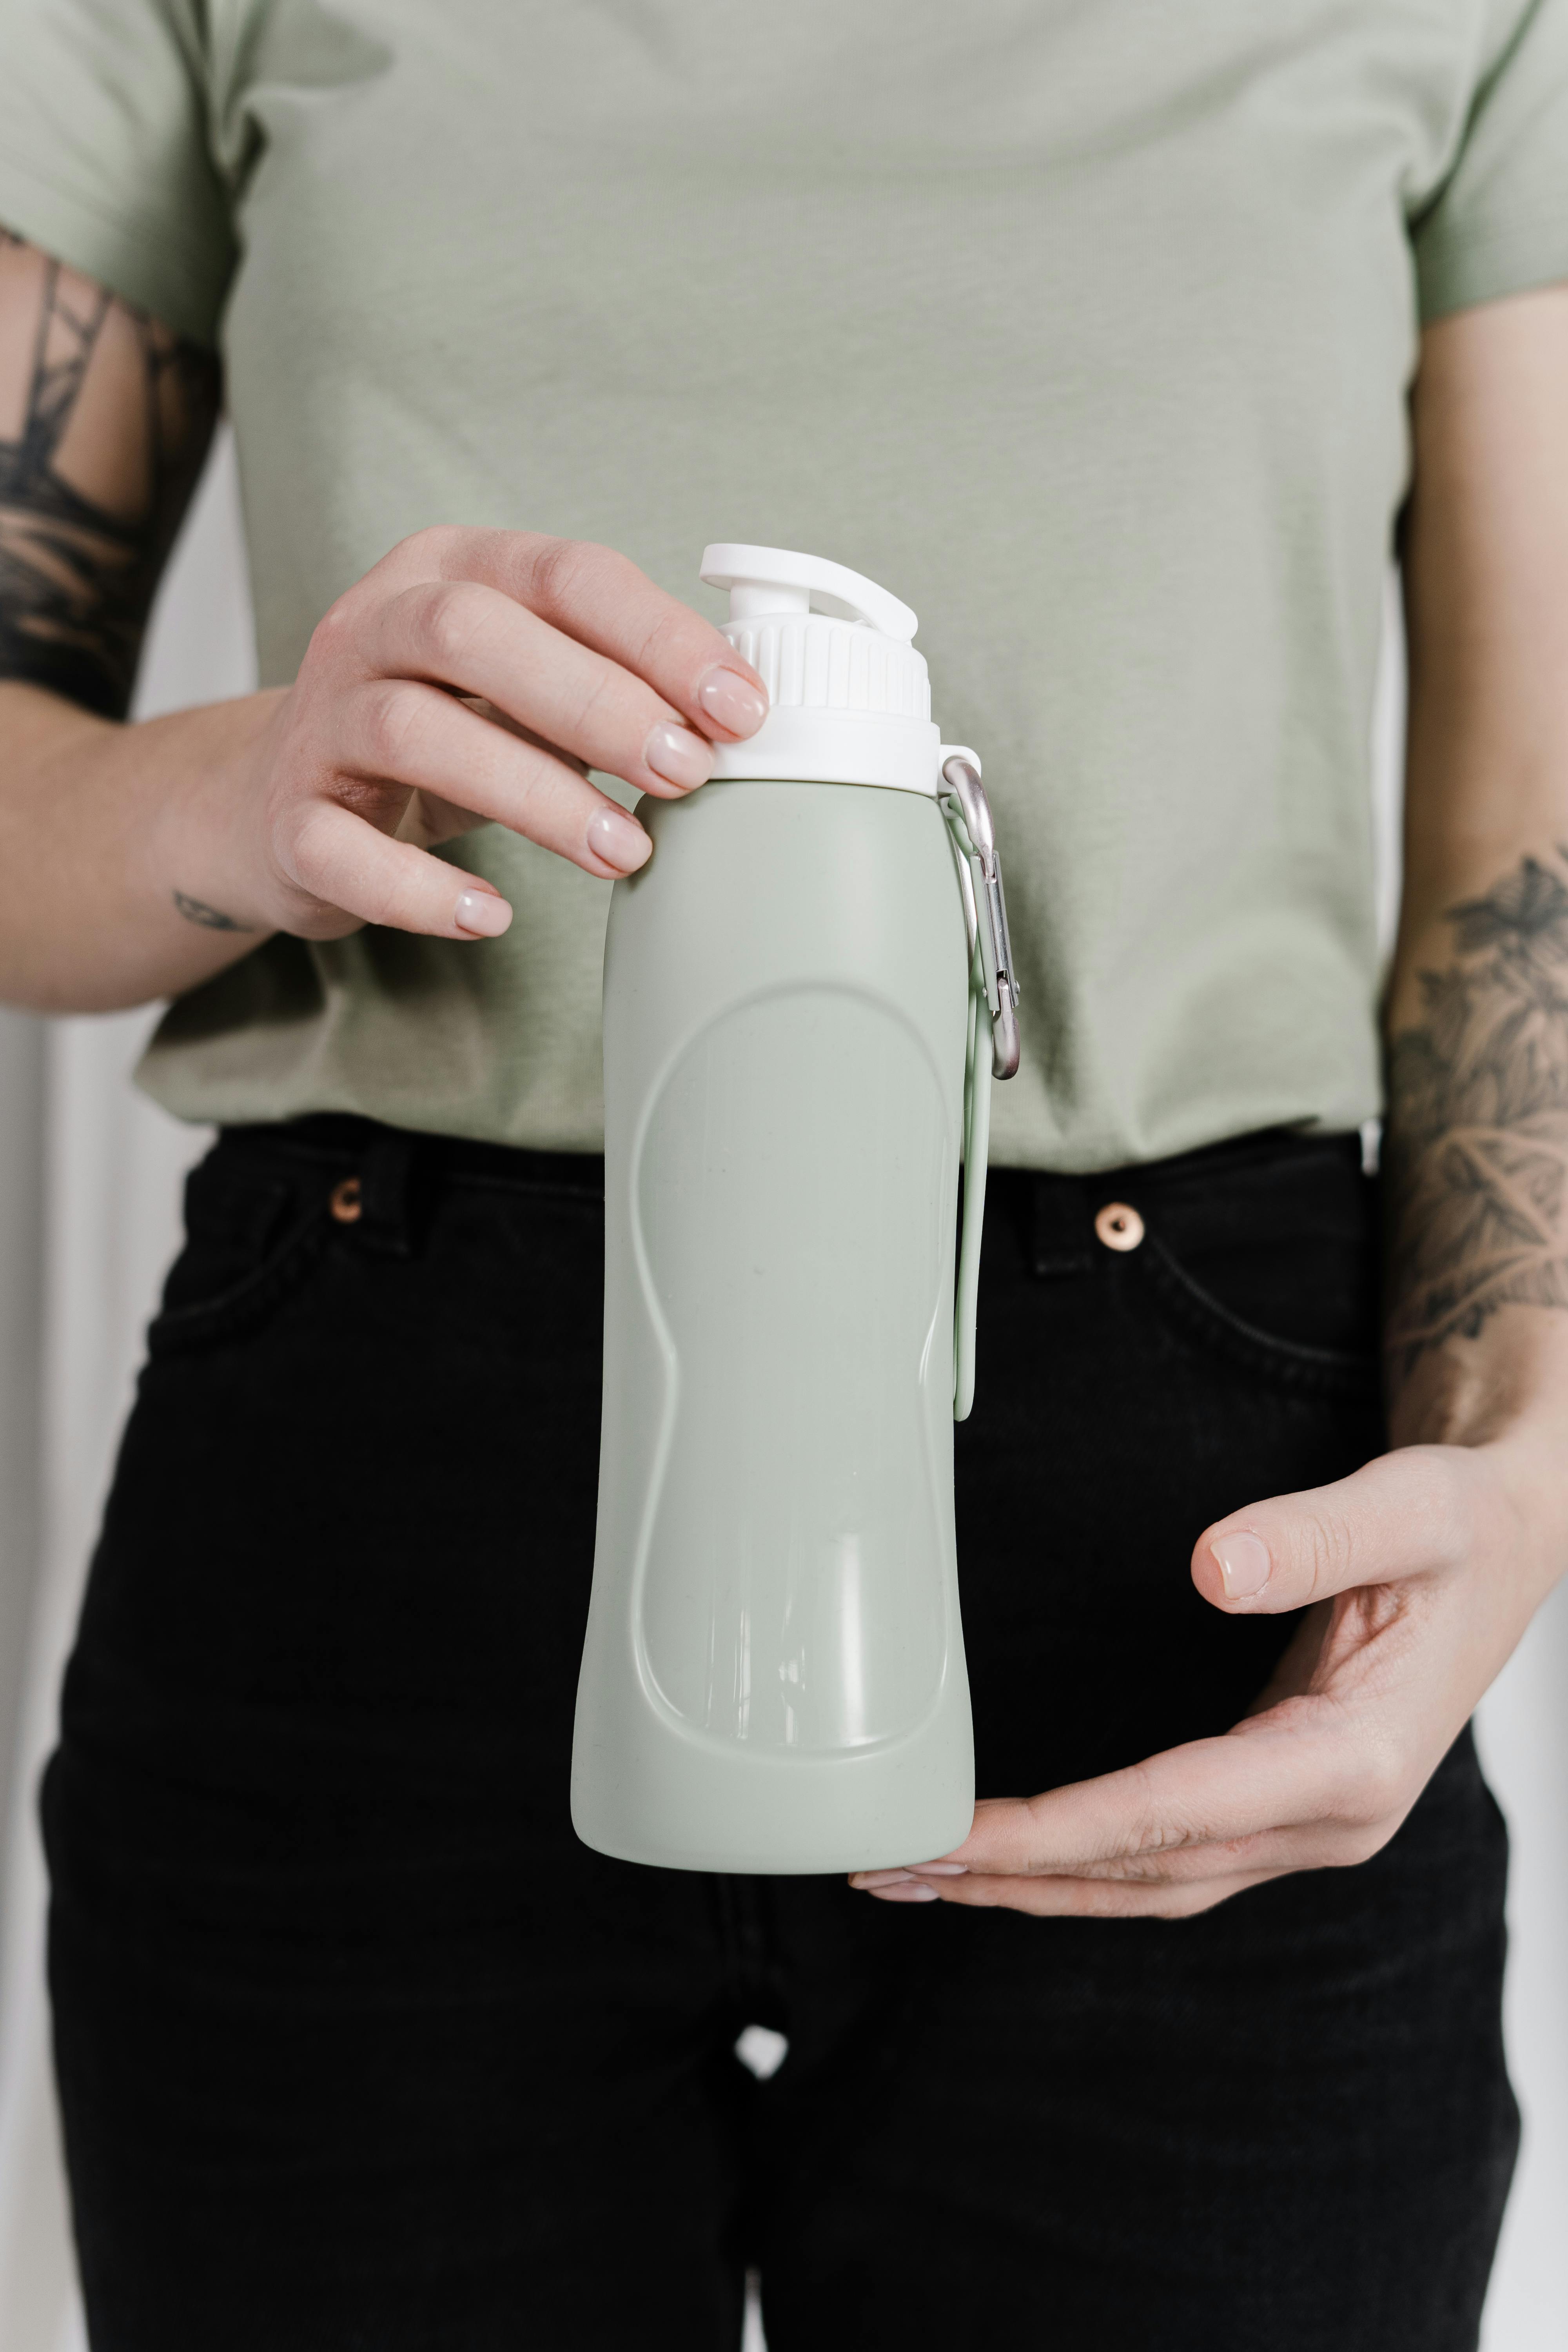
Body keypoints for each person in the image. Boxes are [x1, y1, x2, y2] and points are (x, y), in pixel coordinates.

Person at [1, 4, 1566, 2346]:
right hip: (372, 1480)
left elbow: (1523, 844)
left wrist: (1524, 1463)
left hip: (1187, 1527)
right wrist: (242, 793)